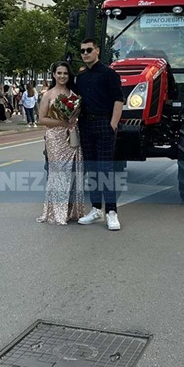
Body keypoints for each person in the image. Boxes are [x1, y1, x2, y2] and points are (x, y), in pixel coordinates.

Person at [75, 38, 125, 231]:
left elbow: (118, 100)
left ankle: (111, 212)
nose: (85, 53)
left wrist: (112, 125)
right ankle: (96, 209)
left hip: (104, 123)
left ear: (97, 51)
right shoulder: (82, 77)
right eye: (82, 51)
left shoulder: (109, 74)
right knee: (93, 169)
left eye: (89, 49)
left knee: (106, 169)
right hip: (85, 125)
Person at [37, 61, 86, 225]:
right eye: (59, 73)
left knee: (73, 172)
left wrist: (72, 120)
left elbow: (79, 113)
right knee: (58, 174)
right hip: (55, 137)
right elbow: (42, 119)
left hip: (71, 135)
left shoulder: (74, 94)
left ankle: (72, 211)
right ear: (53, 75)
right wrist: (62, 123)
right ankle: (57, 212)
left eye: (65, 73)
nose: (62, 76)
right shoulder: (48, 94)